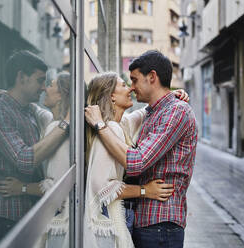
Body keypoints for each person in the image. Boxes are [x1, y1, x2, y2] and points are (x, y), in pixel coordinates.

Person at [85, 50, 198, 248]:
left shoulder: (175, 111)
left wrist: (100, 126)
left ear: (152, 77)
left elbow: (136, 162)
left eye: (134, 80)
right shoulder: (153, 113)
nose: (131, 88)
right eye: (127, 83)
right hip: (147, 222)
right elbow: (134, 117)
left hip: (161, 223)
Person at [0, 50, 70, 247]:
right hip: (9, 220)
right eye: (39, 81)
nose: (43, 88)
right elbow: (25, 160)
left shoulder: (29, 110)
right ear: (21, 77)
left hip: (34, 216)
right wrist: (66, 124)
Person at [0, 71, 72, 248]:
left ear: (61, 94)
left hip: (60, 221)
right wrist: (6, 95)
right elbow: (34, 109)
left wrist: (21, 188)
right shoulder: (53, 122)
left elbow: (56, 187)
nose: (45, 88)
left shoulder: (57, 128)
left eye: (51, 85)